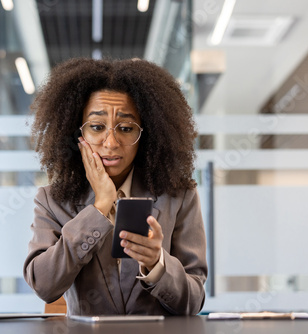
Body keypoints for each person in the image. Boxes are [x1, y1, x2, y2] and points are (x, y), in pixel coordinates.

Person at [23, 57, 207, 316]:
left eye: (126, 128)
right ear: (78, 134)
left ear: (147, 134)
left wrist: (157, 264)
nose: (110, 142)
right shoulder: (52, 200)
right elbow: (44, 284)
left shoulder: (179, 196)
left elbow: (194, 300)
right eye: (97, 127)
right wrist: (100, 207)